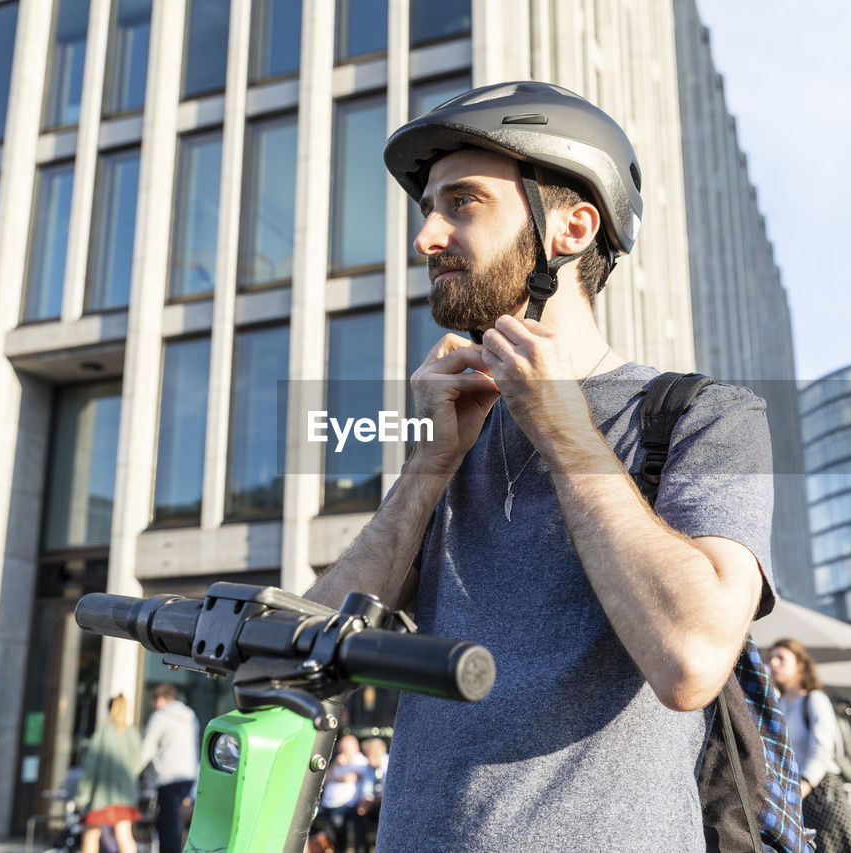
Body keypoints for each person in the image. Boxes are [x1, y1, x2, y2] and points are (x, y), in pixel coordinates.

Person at [305, 81, 775, 851]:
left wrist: (564, 430)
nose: (427, 237)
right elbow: (308, 653)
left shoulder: (707, 417)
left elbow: (691, 657)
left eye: (462, 203)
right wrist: (428, 465)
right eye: (428, 209)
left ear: (573, 228)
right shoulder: (450, 431)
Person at [766, 638, 851, 853]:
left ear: (800, 664)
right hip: (794, 796)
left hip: (822, 793)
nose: (773, 663)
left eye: (781, 658)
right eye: (771, 658)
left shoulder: (815, 699)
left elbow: (822, 749)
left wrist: (804, 784)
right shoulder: (780, 704)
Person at [75, 694, 141, 853]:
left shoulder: (102, 733)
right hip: (125, 795)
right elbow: (138, 763)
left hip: (101, 795)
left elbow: (91, 766)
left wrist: (82, 795)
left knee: (91, 833)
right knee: (124, 835)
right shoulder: (133, 734)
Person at [139, 684, 199, 853]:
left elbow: (147, 750)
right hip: (188, 775)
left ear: (160, 699)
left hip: (168, 776)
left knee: (168, 824)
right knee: (173, 822)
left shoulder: (160, 717)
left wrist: (133, 772)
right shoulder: (190, 716)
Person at [318, 735, 371, 852]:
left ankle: (340, 849)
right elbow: (323, 780)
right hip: (328, 804)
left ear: (355, 748)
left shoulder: (360, 761)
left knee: (337, 821)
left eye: (346, 749)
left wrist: (334, 777)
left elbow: (349, 778)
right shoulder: (339, 761)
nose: (343, 752)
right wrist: (335, 764)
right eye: (341, 749)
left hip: (347, 804)